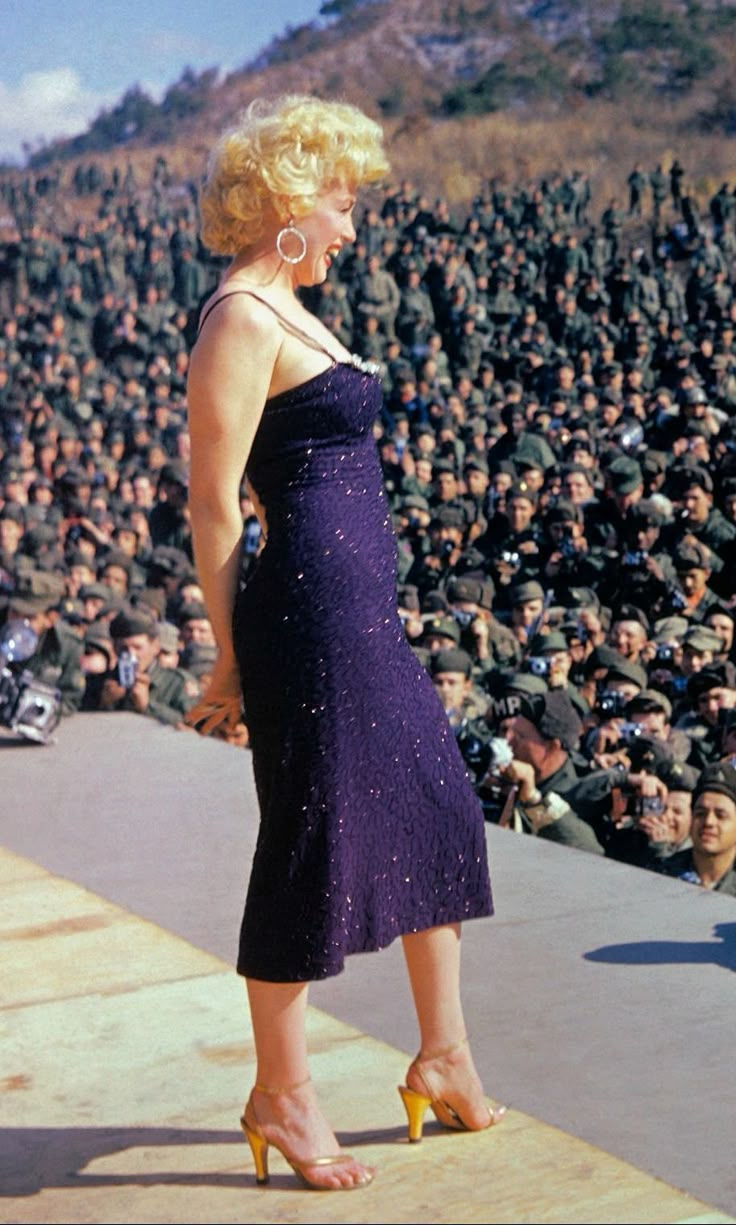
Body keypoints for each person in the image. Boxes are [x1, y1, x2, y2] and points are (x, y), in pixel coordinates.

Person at [183, 95, 503, 1193]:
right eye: (342, 199)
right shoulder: (237, 317)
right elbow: (215, 508)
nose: (353, 224)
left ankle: (445, 1053)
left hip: (359, 618)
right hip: (305, 622)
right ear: (287, 199)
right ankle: (280, 1089)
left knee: (439, 809)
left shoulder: (286, 307)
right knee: (310, 844)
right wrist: (231, 662)